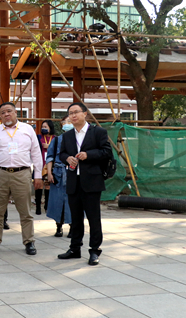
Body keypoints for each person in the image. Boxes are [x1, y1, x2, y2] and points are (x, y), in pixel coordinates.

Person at [0, 102, 43, 256]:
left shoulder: (27, 129)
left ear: (16, 113)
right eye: (3, 112)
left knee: (25, 211)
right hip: (0, 173)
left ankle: (29, 241)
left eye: (9, 111)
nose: (6, 114)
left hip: (22, 173)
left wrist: (38, 175)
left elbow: (36, 153)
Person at [58, 102, 112, 266]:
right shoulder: (67, 135)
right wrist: (67, 158)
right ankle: (75, 248)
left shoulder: (98, 132)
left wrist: (88, 155)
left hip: (92, 181)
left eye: (76, 112)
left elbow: (107, 152)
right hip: (73, 181)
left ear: (85, 114)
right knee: (75, 218)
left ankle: (94, 250)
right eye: (70, 113)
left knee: (94, 218)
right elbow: (61, 154)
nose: (73, 116)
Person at [46, 115, 73, 238]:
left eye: (69, 121)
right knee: (57, 201)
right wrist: (49, 173)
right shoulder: (56, 140)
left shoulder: (79, 140)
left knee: (73, 202)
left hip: (73, 173)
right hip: (58, 173)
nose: (67, 124)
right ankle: (58, 226)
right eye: (64, 121)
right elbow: (50, 157)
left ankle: (73, 226)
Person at [36, 120, 55, 215]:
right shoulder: (38, 137)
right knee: (39, 185)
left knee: (48, 186)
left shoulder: (55, 138)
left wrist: (49, 146)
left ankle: (47, 206)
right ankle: (38, 207)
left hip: (50, 165)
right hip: (40, 163)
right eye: (43, 127)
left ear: (50, 128)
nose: (44, 128)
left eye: (46, 127)